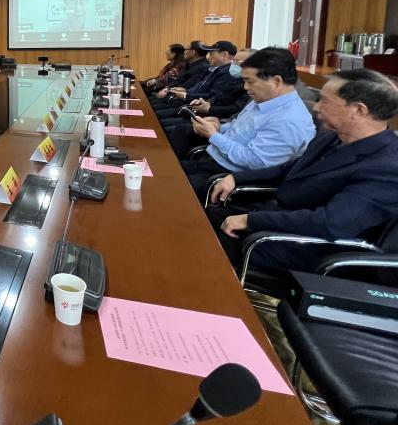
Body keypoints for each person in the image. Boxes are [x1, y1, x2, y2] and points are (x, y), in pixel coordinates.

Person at [208, 69, 398, 273]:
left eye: (324, 101)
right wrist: (236, 178)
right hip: (276, 218)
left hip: (307, 246)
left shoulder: (387, 166)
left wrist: (251, 220)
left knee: (203, 248)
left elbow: (331, 223)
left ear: (358, 110)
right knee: (199, 219)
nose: (316, 107)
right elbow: (291, 169)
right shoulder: (332, 136)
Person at [181, 47, 316, 195]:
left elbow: (254, 161)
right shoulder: (264, 99)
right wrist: (219, 127)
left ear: (276, 81)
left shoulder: (290, 120)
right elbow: (239, 128)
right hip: (213, 160)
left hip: (228, 176)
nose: (245, 87)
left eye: (250, 82)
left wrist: (213, 136)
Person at [154, 41, 239, 114]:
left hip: (201, 108)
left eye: (211, 54)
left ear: (224, 54)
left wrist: (186, 95)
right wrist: (184, 91)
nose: (208, 57)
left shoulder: (228, 73)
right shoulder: (215, 69)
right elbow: (198, 86)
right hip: (191, 102)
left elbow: (214, 96)